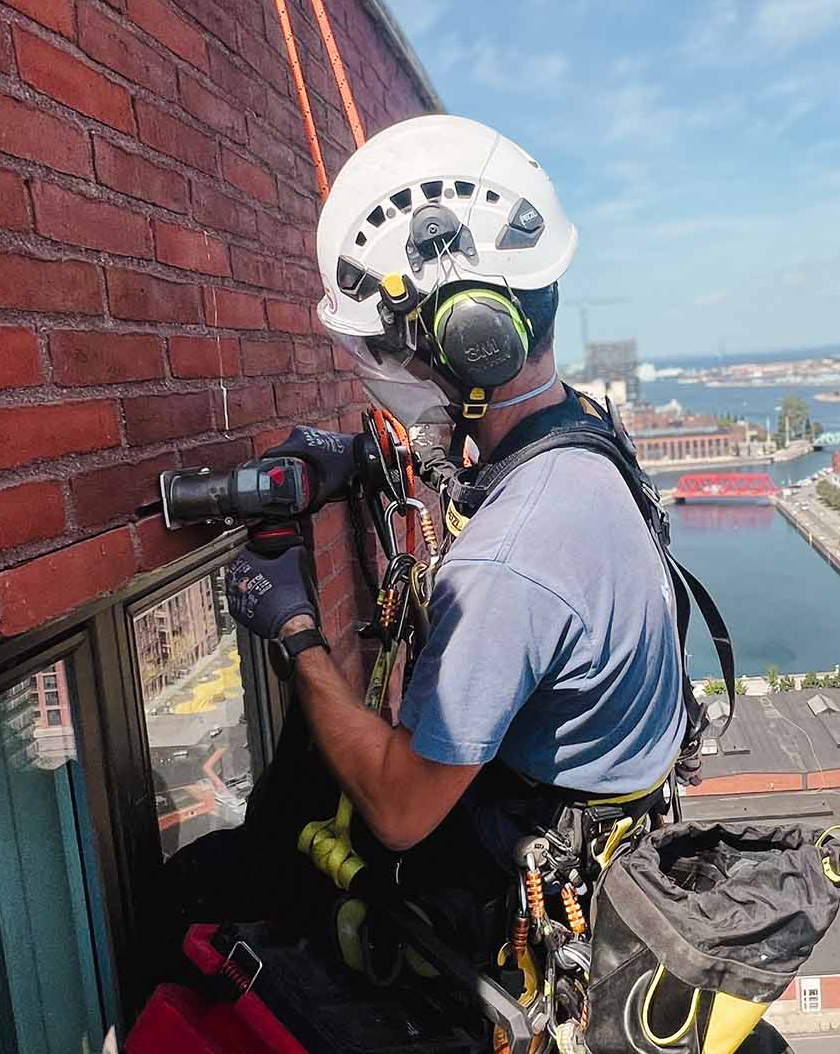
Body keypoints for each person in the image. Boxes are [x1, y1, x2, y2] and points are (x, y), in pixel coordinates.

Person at [224, 115, 690, 865]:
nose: (384, 371)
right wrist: (367, 458)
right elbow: (504, 499)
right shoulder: (586, 434)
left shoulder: (505, 567)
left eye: (388, 350)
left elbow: (400, 809)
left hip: (528, 878)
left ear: (471, 341)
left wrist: (296, 633)